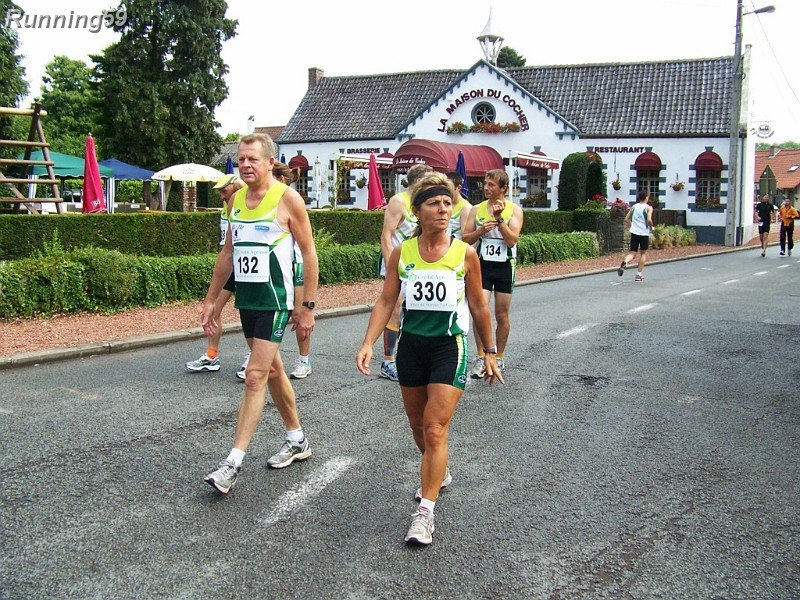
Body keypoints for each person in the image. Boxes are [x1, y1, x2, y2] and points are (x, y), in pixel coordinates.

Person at [356, 172, 503, 546]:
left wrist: (489, 351)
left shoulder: (465, 253)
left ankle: (425, 512)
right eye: (434, 203)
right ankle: (438, 470)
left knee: (435, 427)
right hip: (410, 347)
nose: (443, 209)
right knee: (418, 426)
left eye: (447, 203)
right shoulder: (402, 253)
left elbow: (479, 307)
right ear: (418, 211)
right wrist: (369, 342)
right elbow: (386, 300)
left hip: (448, 348)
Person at [202, 134, 319, 494]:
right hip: (249, 302)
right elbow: (228, 254)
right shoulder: (236, 200)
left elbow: (309, 253)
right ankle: (297, 439)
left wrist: (307, 306)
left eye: (252, 159)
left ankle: (232, 464)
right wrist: (211, 300)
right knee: (273, 370)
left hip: (276, 302)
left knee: (254, 376)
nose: (245, 165)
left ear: (270, 162)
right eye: (241, 159)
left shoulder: (288, 199)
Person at [461, 169, 523, 379]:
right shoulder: (476, 209)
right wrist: (480, 231)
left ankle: (499, 357)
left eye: (491, 185)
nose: (486, 188)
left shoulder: (515, 210)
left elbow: (512, 240)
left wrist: (499, 220)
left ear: (503, 188)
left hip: (505, 266)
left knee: (501, 314)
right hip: (483, 265)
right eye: (485, 184)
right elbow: (465, 239)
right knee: (480, 310)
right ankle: (481, 357)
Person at [185, 174, 249, 378]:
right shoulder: (228, 207)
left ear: (237, 188)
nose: (222, 196)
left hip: (248, 267)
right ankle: (211, 356)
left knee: (251, 315)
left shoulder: (250, 204)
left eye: (224, 191)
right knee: (214, 311)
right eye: (220, 192)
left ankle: (255, 357)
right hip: (231, 266)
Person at [378, 163, 433, 381]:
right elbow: (386, 236)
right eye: (428, 180)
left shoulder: (422, 203)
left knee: (415, 310)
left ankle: (409, 357)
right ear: (417, 180)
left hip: (416, 265)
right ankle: (388, 360)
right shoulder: (398, 202)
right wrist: (391, 266)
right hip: (397, 263)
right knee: (395, 308)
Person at [273, 162, 314, 378]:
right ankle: (261, 355)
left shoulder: (291, 200)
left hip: (296, 265)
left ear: (280, 179)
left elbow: (307, 247)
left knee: (298, 314)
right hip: (276, 268)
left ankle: (303, 360)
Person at [618, 190, 654, 282]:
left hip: (634, 232)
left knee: (632, 253)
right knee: (643, 253)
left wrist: (632, 225)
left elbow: (626, 219)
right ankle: (639, 274)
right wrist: (651, 227)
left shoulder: (634, 207)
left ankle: (625, 262)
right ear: (646, 198)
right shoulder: (648, 208)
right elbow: (649, 220)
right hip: (643, 233)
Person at [445, 171, 471, 240]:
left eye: (448, 188)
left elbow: (466, 237)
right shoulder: (444, 204)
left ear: (458, 188)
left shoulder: (466, 208)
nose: (445, 191)